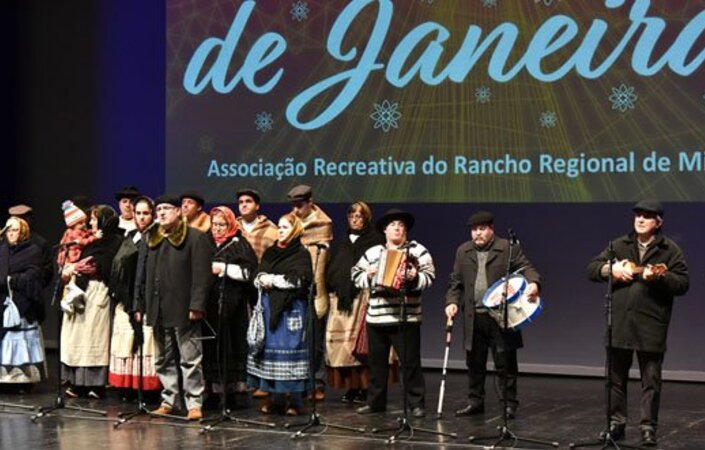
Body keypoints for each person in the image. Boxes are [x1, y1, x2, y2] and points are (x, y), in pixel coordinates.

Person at [586, 200, 689, 447]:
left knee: (650, 381)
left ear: (658, 222)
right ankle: (616, 424)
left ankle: (648, 428)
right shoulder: (619, 245)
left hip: (651, 324)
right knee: (615, 379)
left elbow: (682, 284)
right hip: (620, 322)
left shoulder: (669, 249)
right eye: (638, 215)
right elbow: (592, 269)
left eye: (647, 216)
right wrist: (610, 270)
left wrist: (659, 278)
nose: (640, 220)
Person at [445, 211, 540, 420]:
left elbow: (526, 268)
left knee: (505, 362)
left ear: (491, 229)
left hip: (500, 315)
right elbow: (455, 282)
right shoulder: (463, 251)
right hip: (474, 316)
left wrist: (533, 283)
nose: (477, 233)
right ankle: (475, 402)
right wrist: (452, 302)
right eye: (474, 230)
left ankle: (508, 404)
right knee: (474, 363)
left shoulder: (507, 247)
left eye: (482, 229)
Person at [135, 195, 212, 420]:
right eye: (158, 209)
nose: (161, 212)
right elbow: (141, 274)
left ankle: (194, 403)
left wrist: (197, 304)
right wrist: (139, 304)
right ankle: (169, 400)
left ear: (178, 211)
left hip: (183, 307)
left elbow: (202, 275)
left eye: (166, 208)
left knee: (190, 358)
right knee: (162, 358)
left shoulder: (195, 237)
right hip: (157, 307)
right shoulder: (151, 237)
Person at [352, 209, 435, 418]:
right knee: (376, 364)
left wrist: (415, 277)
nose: (397, 228)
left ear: (405, 230)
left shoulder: (418, 251)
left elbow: (430, 277)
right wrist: (369, 275)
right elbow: (355, 275)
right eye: (392, 225)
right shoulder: (373, 252)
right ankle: (375, 402)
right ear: (385, 230)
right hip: (377, 317)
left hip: (406, 317)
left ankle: (416, 404)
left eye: (401, 225)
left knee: (410, 363)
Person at [247, 213, 313, 416]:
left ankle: (295, 402)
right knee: (272, 354)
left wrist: (273, 280)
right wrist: (262, 279)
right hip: (269, 309)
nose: (280, 231)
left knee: (291, 354)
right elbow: (258, 275)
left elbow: (300, 280)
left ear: (295, 230)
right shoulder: (271, 252)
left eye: (285, 227)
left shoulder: (300, 254)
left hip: (291, 310)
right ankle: (276, 400)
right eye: (280, 227)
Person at [61, 205, 123, 399]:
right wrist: (73, 268)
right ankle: (77, 382)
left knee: (94, 337)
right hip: (82, 290)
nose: (91, 223)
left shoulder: (115, 240)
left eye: (95, 219)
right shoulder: (90, 241)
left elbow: (108, 264)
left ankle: (96, 384)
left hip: (98, 290)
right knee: (78, 337)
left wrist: (89, 266)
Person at [325, 202, 384, 403]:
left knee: (361, 345)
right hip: (341, 301)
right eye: (351, 216)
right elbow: (336, 266)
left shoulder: (375, 240)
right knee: (344, 348)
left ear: (366, 218)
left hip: (361, 298)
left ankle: (366, 388)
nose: (355, 220)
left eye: (359, 216)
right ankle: (352, 387)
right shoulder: (343, 240)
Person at [204, 205, 258, 406]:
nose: (217, 229)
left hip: (233, 306)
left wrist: (223, 269)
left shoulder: (239, 244)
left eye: (222, 225)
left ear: (230, 225)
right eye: (214, 224)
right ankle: (211, 393)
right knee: (210, 349)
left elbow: (249, 272)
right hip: (209, 305)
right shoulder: (205, 242)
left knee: (231, 347)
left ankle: (230, 394)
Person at [107, 196, 161, 394]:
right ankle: (127, 386)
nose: (141, 217)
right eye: (138, 213)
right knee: (126, 341)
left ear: (152, 215)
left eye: (146, 213)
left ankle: (148, 389)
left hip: (145, 299)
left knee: (146, 341)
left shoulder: (156, 238)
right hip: (125, 299)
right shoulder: (130, 236)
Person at [288, 184, 333, 400]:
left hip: (316, 288)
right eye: (293, 206)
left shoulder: (323, 224)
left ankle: (317, 382)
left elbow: (322, 261)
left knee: (315, 339)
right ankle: (298, 382)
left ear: (310, 203)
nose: (296, 210)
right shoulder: (289, 223)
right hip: (295, 287)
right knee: (297, 339)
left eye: (300, 205)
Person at [0, 217, 46, 389]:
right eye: (9, 230)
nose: (11, 234)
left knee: (20, 340)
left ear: (23, 232)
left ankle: (22, 381)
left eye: (15, 230)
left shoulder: (32, 251)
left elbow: (34, 275)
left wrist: (14, 280)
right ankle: (4, 380)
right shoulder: (2, 250)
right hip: (3, 301)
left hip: (23, 304)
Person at [235, 189, 278, 262]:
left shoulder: (271, 230)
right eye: (241, 202)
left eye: (248, 201)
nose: (244, 205)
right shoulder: (232, 228)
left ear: (257, 206)